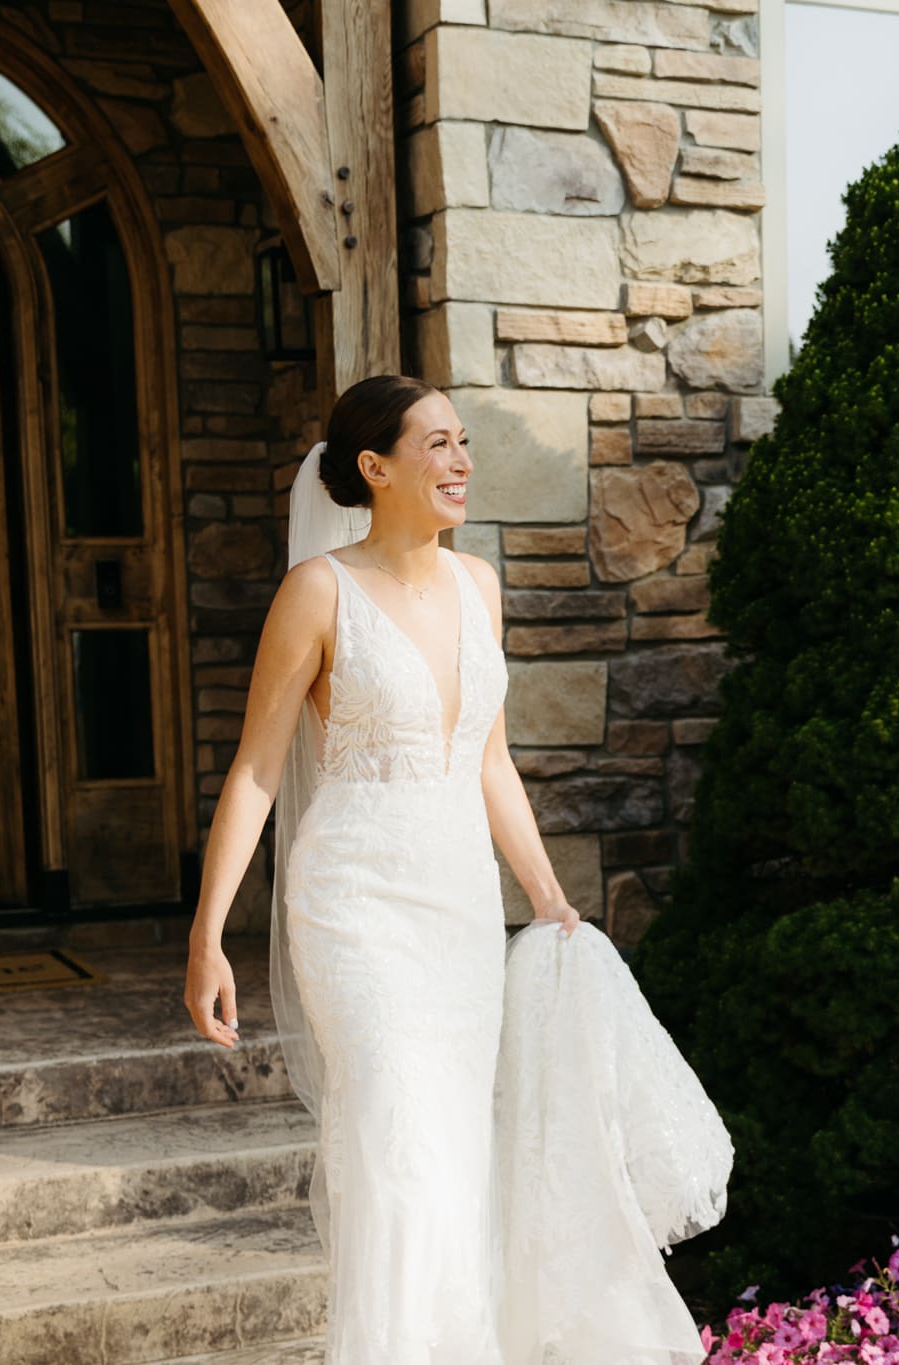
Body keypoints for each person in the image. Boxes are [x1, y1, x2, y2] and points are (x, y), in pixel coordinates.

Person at [183, 375, 731, 1365]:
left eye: (463, 441)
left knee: (460, 1158)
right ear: (374, 467)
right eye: (436, 444)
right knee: (401, 1159)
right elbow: (259, 769)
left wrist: (546, 892)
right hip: (355, 908)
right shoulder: (318, 592)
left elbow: (488, 760)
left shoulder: (479, 586)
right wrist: (206, 934)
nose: (461, 461)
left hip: (459, 913)